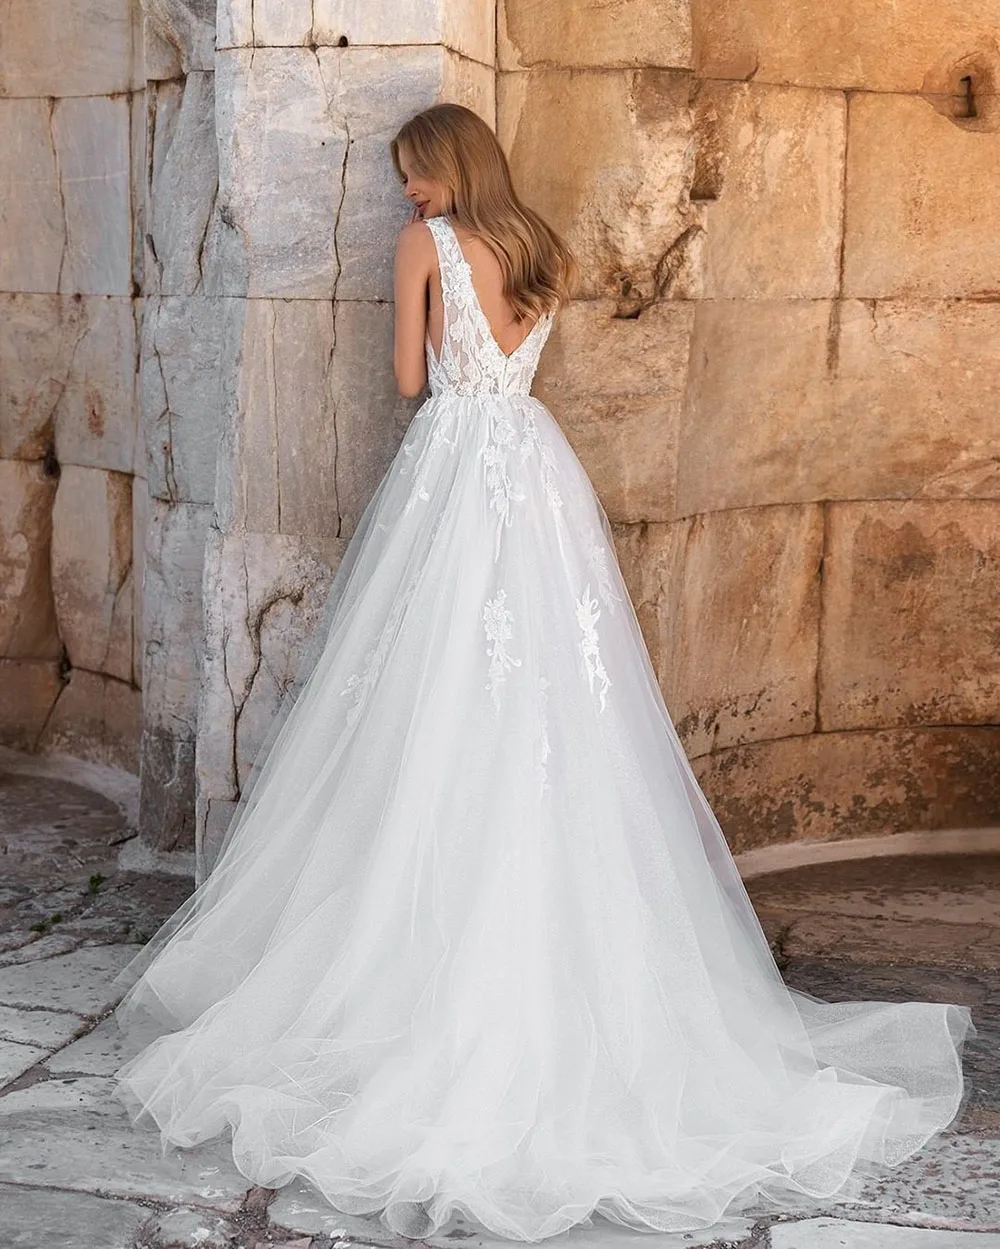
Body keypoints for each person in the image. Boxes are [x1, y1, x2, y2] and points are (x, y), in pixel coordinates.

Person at [111, 102, 972, 1243]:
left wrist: (427, 309)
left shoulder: (424, 246)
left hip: (456, 471)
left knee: (429, 690)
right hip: (534, 469)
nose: (406, 192)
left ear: (446, 166)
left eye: (414, 173)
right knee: (557, 696)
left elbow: (409, 380)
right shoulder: (538, 247)